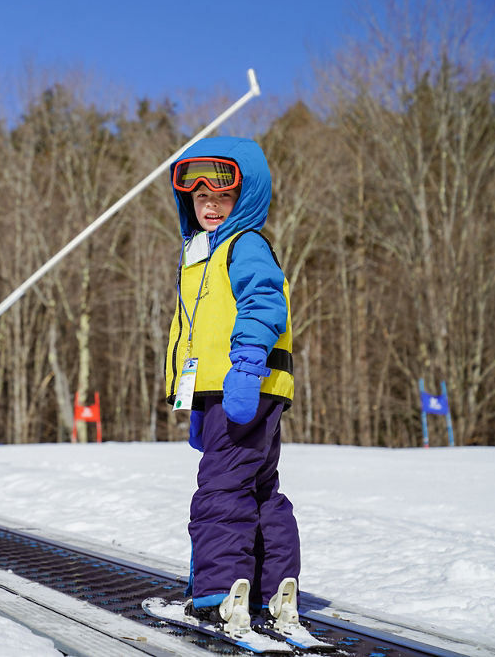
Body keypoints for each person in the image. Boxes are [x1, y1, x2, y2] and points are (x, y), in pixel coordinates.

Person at [164, 136, 300, 638]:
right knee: (260, 490)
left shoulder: (244, 246)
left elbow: (265, 303)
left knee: (221, 490)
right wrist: (196, 398)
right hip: (228, 390)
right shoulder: (202, 256)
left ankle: (218, 594)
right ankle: (271, 588)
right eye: (200, 199)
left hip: (244, 385)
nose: (210, 206)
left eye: (222, 198)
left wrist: (245, 367)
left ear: (246, 200)